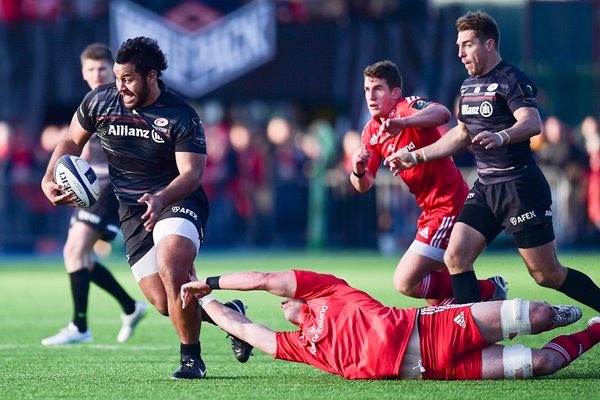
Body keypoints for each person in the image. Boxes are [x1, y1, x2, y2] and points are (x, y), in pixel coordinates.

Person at [40, 37, 252, 379]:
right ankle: (233, 317)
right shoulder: (101, 100)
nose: (120, 86)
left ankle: (191, 359)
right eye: (118, 77)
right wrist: (48, 177)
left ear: (152, 76)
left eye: (129, 79)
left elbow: (192, 174)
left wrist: (161, 198)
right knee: (163, 302)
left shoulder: (181, 115)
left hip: (178, 201)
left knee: (172, 268)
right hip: (132, 210)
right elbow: (70, 140)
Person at [383, 11, 600, 312]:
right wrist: (416, 156)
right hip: (486, 187)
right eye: (458, 46)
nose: (460, 53)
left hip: (519, 187)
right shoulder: (468, 86)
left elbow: (532, 122)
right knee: (456, 256)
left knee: (546, 274)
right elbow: (460, 135)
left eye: (467, 45)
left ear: (489, 44)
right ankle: (474, 335)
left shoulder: (512, 79)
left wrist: (502, 136)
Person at [180, 269, 599, 380]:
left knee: (540, 315)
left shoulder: (330, 291)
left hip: (432, 328)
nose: (283, 305)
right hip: (433, 370)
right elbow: (246, 329)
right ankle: (599, 327)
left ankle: (514, 300)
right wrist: (208, 302)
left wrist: (211, 281)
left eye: (286, 299)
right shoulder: (300, 346)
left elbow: (263, 280)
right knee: (541, 365)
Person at [351, 60, 505, 305]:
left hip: (449, 206)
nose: (371, 96)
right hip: (431, 210)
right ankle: (475, 324)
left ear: (394, 92)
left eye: (378, 89)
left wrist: (404, 123)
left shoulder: (407, 107)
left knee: (406, 281)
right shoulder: (371, 131)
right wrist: (358, 170)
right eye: (367, 90)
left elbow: (442, 114)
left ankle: (489, 290)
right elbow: (364, 185)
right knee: (435, 298)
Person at [42, 43, 148, 346]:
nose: (96, 74)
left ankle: (80, 326)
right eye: (90, 69)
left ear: (113, 70)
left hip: (111, 187)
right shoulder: (91, 103)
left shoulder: (123, 100)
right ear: (83, 72)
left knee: (75, 251)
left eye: (101, 68)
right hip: (91, 185)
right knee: (77, 255)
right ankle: (130, 307)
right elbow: (78, 145)